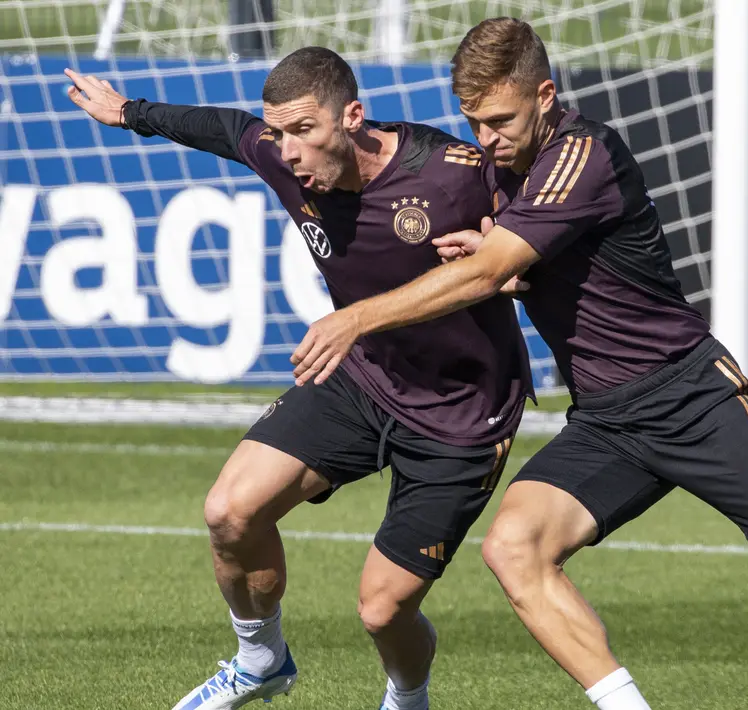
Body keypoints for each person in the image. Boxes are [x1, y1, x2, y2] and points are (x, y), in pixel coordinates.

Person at [289, 18, 748, 710]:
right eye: (473, 122)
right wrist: (500, 263)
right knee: (514, 548)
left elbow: (492, 274)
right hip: (608, 421)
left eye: (500, 121)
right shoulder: (503, 166)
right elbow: (527, 268)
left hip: (692, 397)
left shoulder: (583, 154)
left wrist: (360, 315)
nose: (486, 140)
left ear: (545, 97)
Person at [64, 46, 530, 710]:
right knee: (229, 512)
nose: (286, 150)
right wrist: (130, 112)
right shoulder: (282, 155)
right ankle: (261, 661)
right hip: (364, 378)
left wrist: (513, 266)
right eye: (277, 132)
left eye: (303, 131)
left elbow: (546, 243)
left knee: (381, 612)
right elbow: (226, 129)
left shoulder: (455, 173)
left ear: (352, 118)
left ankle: (407, 699)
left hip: (461, 413)